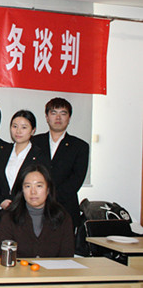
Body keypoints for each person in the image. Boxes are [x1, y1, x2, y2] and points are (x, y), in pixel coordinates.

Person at [0, 110, 50, 230]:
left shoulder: (40, 156)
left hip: (26, 214)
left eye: (24, 127)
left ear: (33, 130)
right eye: (15, 126)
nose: (18, 131)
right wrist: (1, 201)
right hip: (0, 215)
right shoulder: (2, 152)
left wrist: (14, 203)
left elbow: (41, 187)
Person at [31, 97, 89, 229]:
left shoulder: (80, 146)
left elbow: (76, 179)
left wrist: (49, 197)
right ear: (47, 117)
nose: (58, 118)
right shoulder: (34, 142)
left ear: (69, 118)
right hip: (35, 209)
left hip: (65, 209)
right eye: (53, 113)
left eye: (63, 113)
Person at [0, 163, 74, 257]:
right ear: (22, 190)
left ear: (48, 189)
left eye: (39, 186)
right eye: (28, 186)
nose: (33, 192)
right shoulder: (9, 217)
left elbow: (67, 257)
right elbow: (5, 256)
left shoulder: (62, 218)